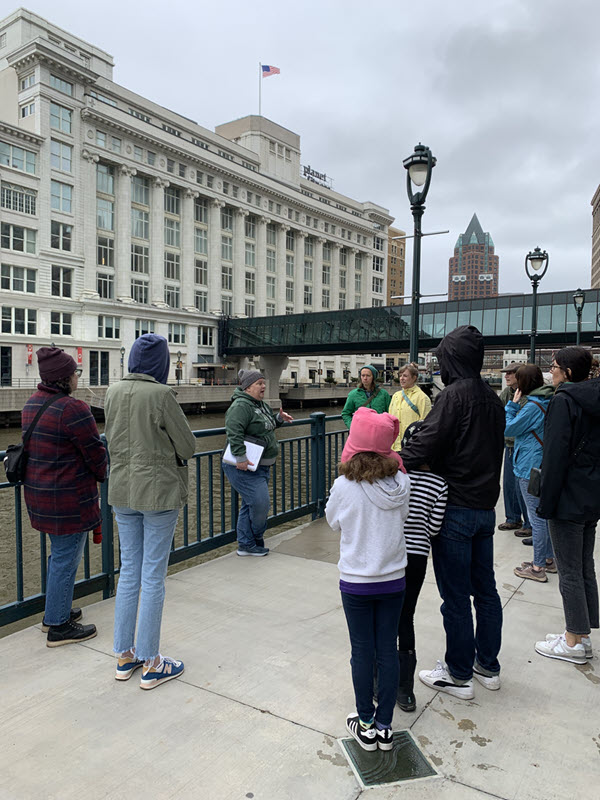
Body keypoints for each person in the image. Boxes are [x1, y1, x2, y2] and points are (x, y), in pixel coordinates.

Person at [400, 325, 505, 700]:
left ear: (451, 360)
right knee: (486, 591)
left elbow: (423, 446)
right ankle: (487, 666)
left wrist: (387, 461)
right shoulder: (493, 400)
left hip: (455, 509)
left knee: (456, 596)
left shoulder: (453, 397)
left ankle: (458, 674)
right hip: (485, 509)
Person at [104, 334, 196, 689]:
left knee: (129, 572)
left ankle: (125, 655)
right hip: (157, 494)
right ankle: (153, 661)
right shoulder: (161, 395)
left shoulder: (112, 392)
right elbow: (186, 444)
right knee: (153, 576)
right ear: (161, 364)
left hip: (122, 490)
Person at [325, 406, 411, 751]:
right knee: (387, 649)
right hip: (393, 578)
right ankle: (386, 726)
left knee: (362, 651)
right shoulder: (402, 482)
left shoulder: (343, 486)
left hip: (356, 580)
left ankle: (365, 723)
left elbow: (333, 522)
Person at [22, 346, 107, 647]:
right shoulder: (74, 409)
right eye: (75, 373)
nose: (77, 378)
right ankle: (58, 626)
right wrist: (104, 473)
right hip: (68, 501)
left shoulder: (32, 404)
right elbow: (95, 453)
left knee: (59, 556)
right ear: (64, 378)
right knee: (65, 559)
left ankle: (55, 611)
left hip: (39, 496)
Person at [535, 346, 600, 665]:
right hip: (590, 495)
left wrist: (545, 502)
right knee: (584, 565)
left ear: (569, 372)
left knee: (569, 570)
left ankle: (574, 639)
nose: (551, 370)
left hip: (566, 497)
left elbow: (555, 456)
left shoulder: (564, 401)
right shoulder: (594, 399)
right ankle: (582, 634)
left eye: (555, 366)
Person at [394, 421, 448, 712]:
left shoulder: (396, 479)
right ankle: (406, 690)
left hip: (391, 556)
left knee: (385, 619)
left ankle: (381, 680)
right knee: (407, 617)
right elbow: (435, 529)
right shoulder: (440, 484)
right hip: (416, 558)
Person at [222, 369, 293, 557]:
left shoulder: (261, 405)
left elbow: (266, 425)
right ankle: (254, 539)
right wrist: (240, 458)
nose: (263, 386)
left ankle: (247, 544)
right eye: (259, 383)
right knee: (261, 503)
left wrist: (279, 419)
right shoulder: (241, 406)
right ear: (247, 387)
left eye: (263, 383)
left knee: (250, 504)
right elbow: (233, 431)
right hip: (244, 466)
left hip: (260, 466)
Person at [504, 365, 555, 582]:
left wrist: (512, 406)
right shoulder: (547, 400)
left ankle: (537, 567)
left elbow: (508, 429)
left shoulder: (532, 406)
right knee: (542, 516)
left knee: (536, 518)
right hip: (539, 461)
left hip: (529, 466)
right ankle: (548, 559)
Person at [498, 363, 531, 536]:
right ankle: (513, 518)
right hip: (509, 445)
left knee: (522, 486)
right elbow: (497, 411)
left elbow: (515, 424)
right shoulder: (507, 393)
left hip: (521, 445)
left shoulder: (528, 397)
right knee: (509, 484)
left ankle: (528, 522)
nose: (506, 376)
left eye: (510, 373)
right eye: (506, 373)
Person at [388, 363, 432, 450]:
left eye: (405, 376)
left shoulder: (422, 397)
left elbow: (425, 425)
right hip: (394, 446)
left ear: (414, 378)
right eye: (400, 375)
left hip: (412, 446)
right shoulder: (396, 396)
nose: (401, 378)